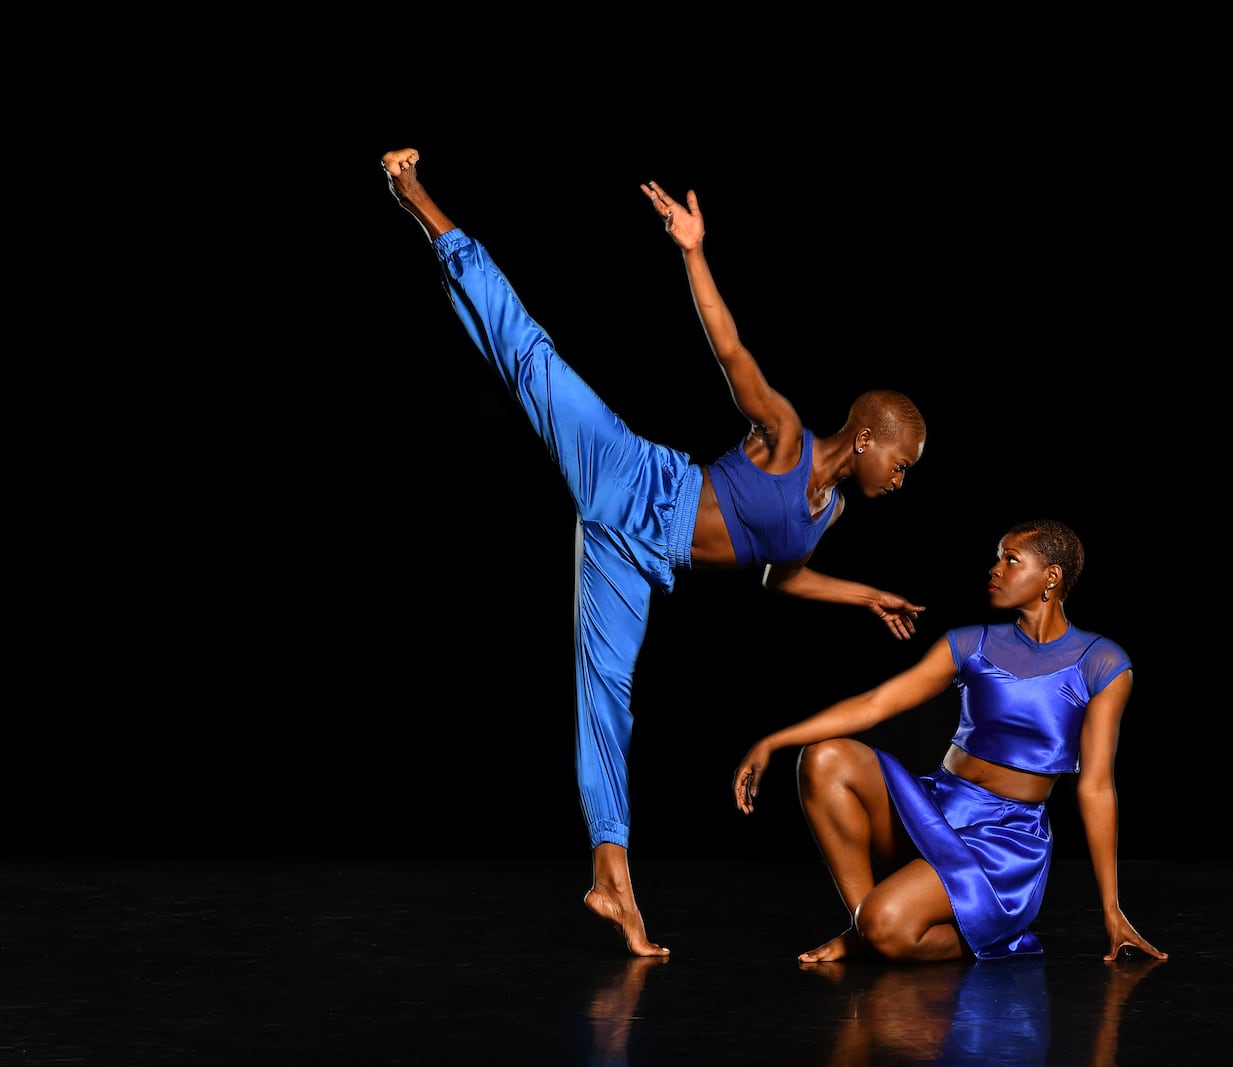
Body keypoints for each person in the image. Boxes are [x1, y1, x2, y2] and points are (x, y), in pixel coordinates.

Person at [380, 148, 928, 958]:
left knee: (606, 701)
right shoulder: (785, 436)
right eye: (902, 462)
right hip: (635, 479)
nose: (902, 478)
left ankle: (612, 878)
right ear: (872, 436)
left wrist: (869, 595)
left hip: (634, 558)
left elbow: (782, 575)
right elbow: (730, 349)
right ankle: (414, 195)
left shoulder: (828, 512)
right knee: (530, 355)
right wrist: (695, 252)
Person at [733, 518, 1166, 963]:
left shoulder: (1102, 662)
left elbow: (1096, 787)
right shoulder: (970, 642)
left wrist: (1111, 910)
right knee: (823, 758)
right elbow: (876, 702)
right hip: (936, 806)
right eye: (997, 558)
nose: (994, 569)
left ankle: (893, 930)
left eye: (1011, 560)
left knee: (889, 928)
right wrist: (773, 741)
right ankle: (864, 927)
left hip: (1004, 841)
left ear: (1050, 577)